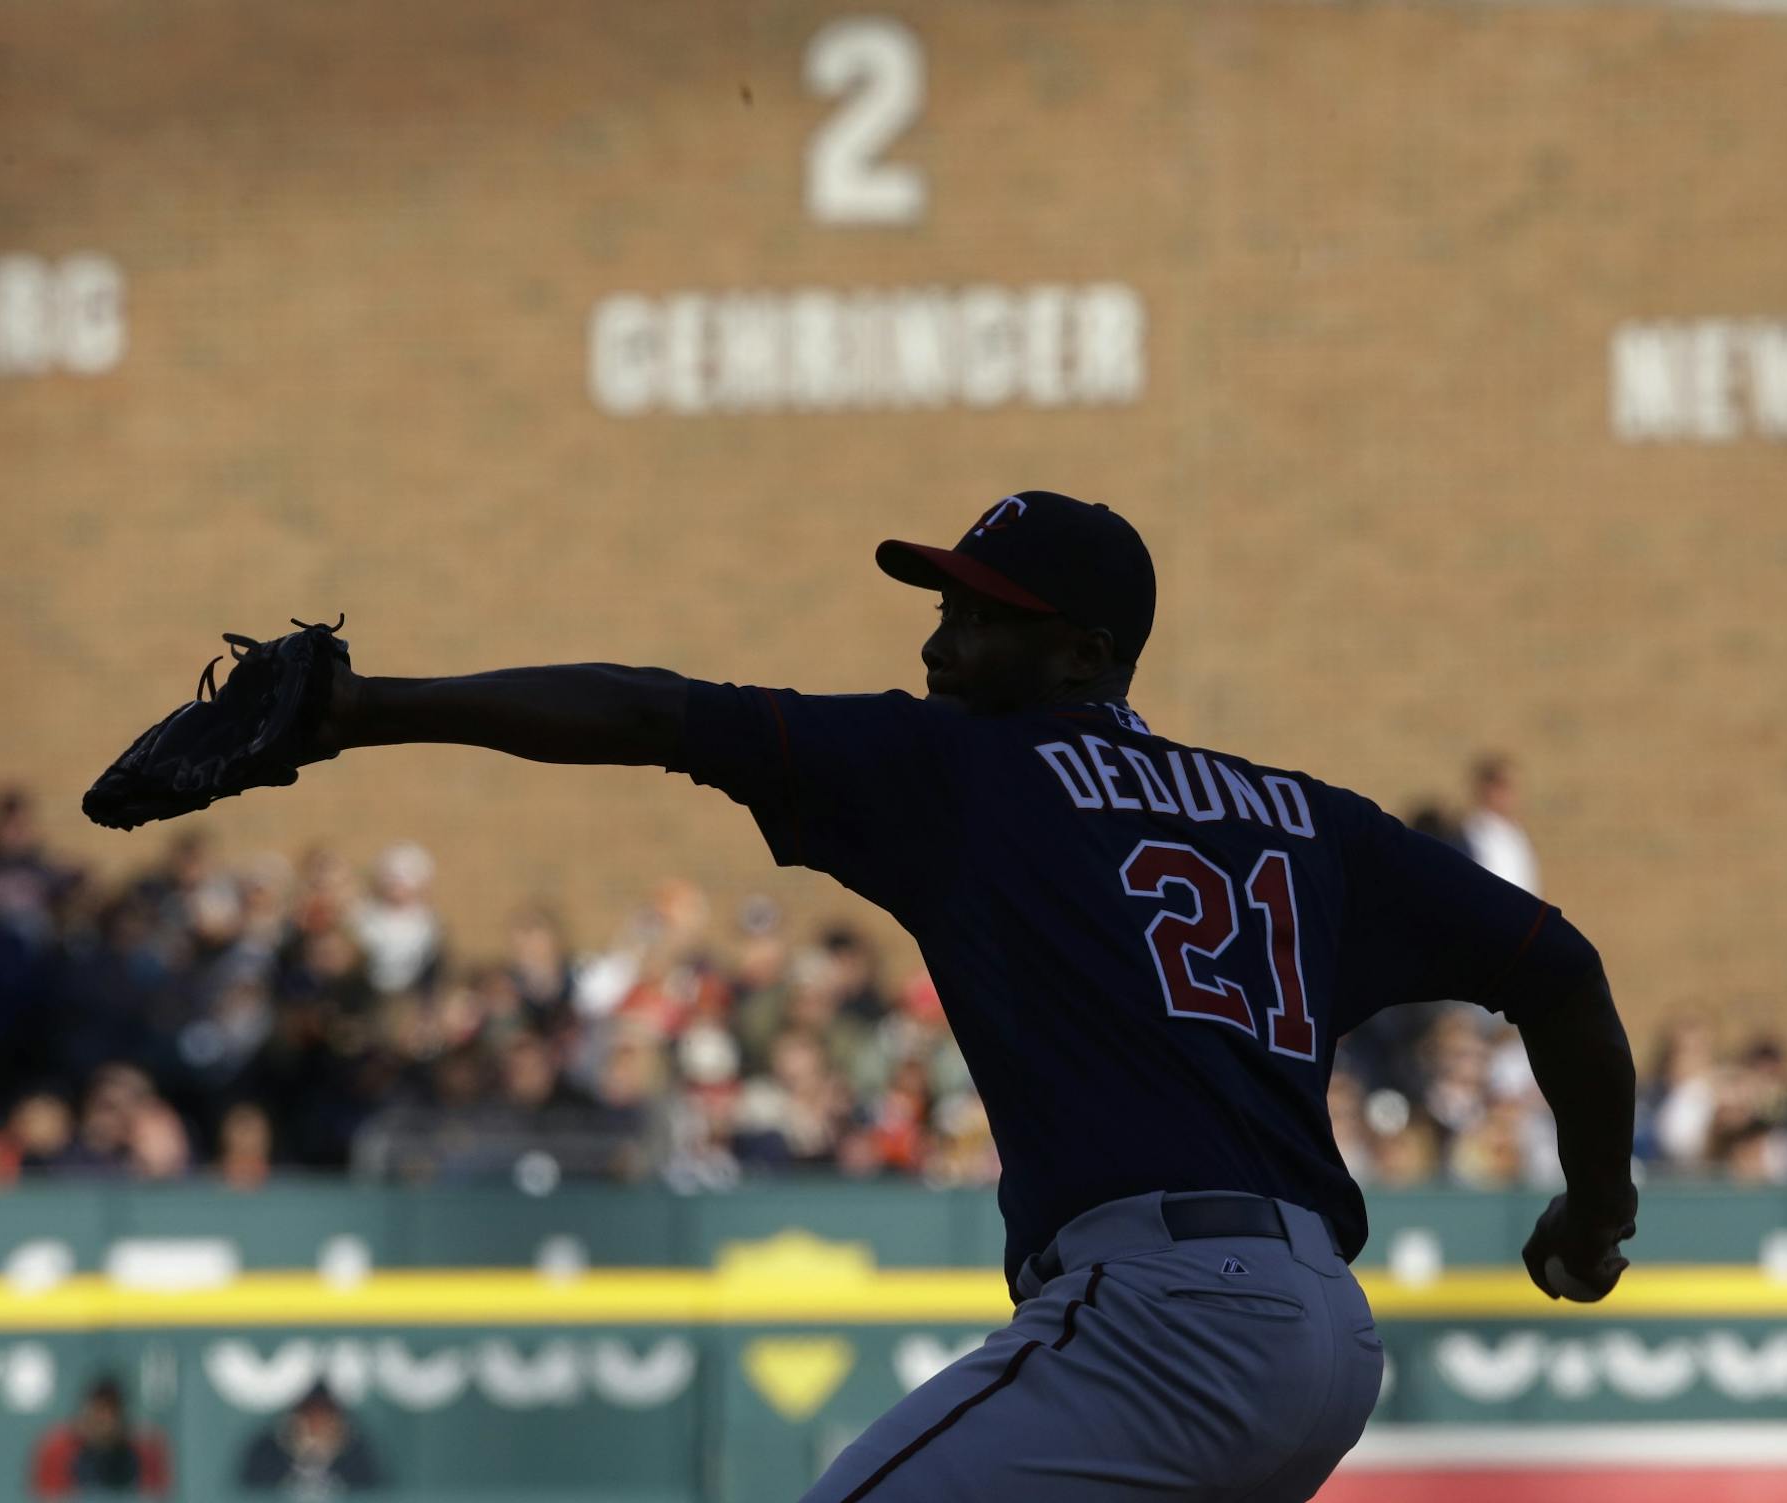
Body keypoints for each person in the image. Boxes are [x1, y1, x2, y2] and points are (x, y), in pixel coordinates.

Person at [158, 490, 1644, 1501]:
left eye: (981, 617)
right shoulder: (1307, 818)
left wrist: (365, 710)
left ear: (1082, 651)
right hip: (1326, 1332)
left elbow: (650, 711)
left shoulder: (970, 770)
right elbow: (1559, 970)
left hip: (1165, 1315)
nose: (940, 641)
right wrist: (1595, 1208)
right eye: (944, 603)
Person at [28, 1374, 172, 1498]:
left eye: (110, 1416)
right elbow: (48, 1496)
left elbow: (156, 1495)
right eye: (98, 1416)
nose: (105, 1424)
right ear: (86, 1414)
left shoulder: (145, 1451)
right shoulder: (57, 1450)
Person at [237, 1381, 383, 1496]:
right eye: (310, 1423)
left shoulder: (360, 1462)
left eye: (325, 1424)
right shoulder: (266, 1457)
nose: (316, 1432)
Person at [1461, 752, 1541, 896]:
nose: (1509, 794)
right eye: (1502, 786)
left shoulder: (1515, 833)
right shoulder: (1471, 834)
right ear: (1486, 788)